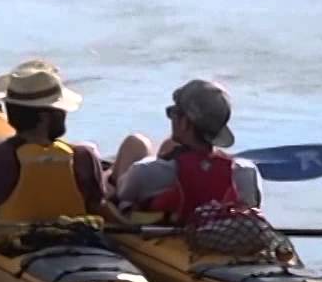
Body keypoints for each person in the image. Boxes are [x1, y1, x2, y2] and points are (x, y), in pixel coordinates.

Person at [0, 61, 117, 222]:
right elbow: (99, 208)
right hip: (71, 242)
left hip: (12, 245)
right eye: (61, 110)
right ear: (44, 118)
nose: (65, 114)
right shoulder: (84, 157)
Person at [111, 78, 262, 221]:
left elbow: (118, 198)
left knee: (134, 144)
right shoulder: (247, 172)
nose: (171, 118)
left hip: (164, 236)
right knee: (168, 145)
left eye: (173, 112)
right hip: (220, 236)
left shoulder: (146, 172)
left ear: (184, 123)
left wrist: (105, 178)